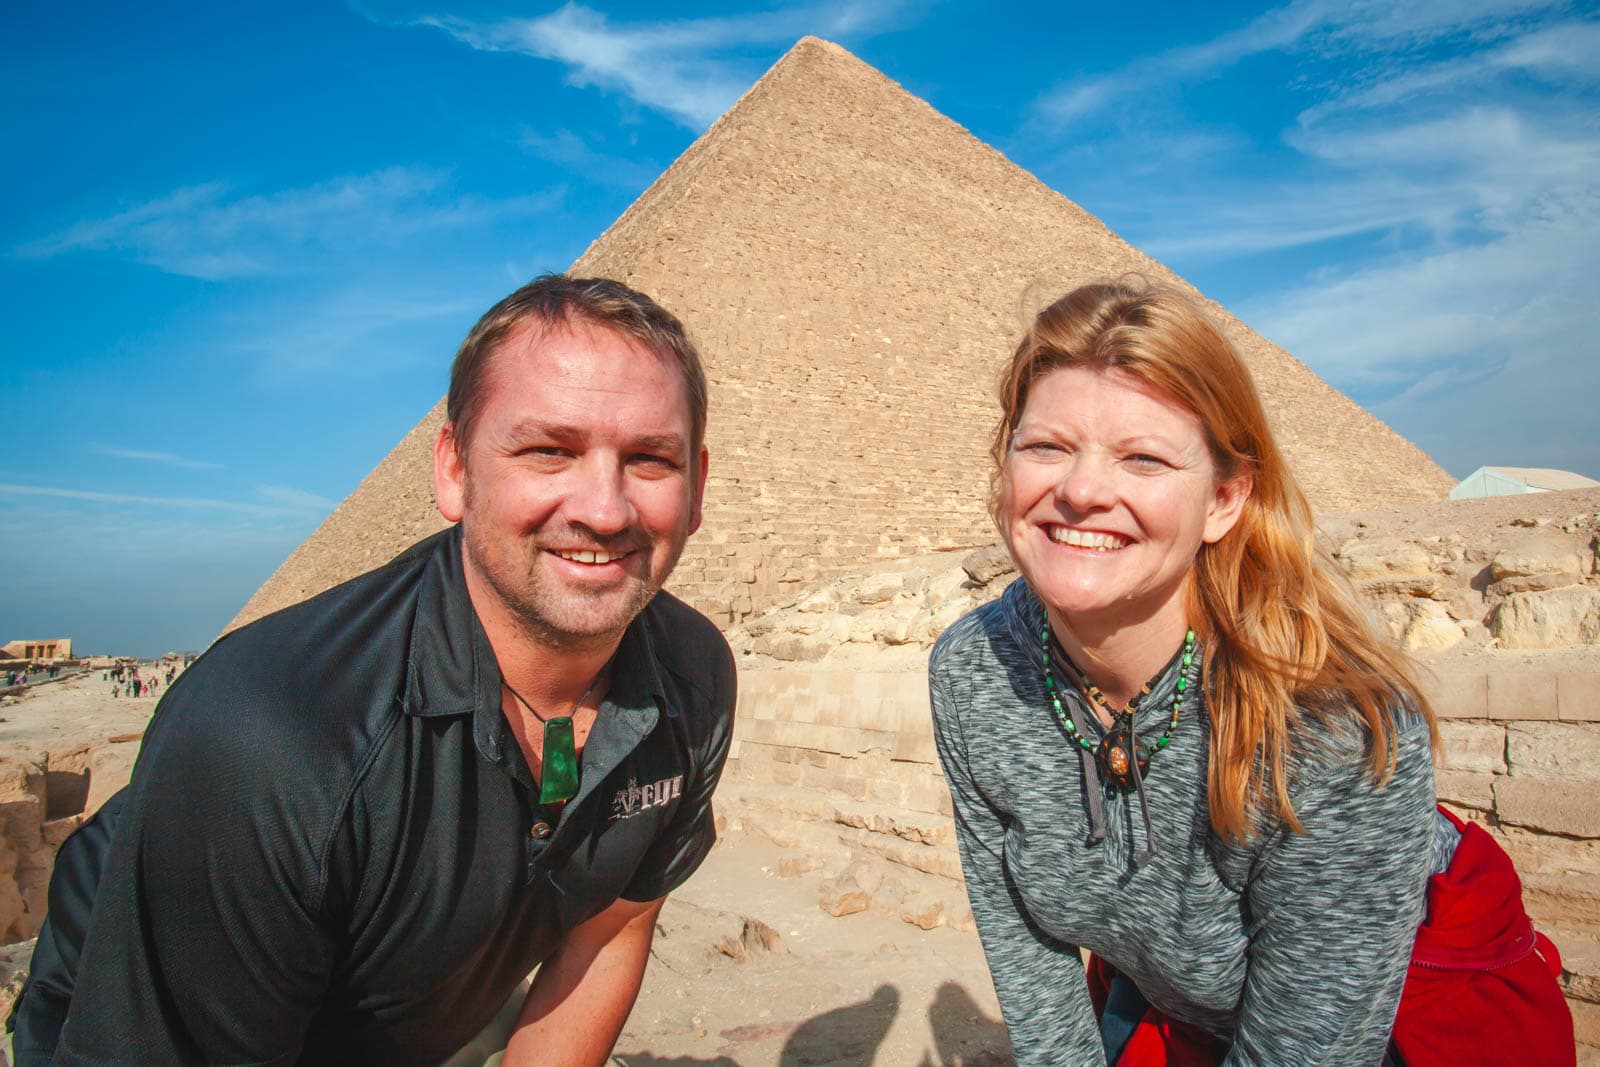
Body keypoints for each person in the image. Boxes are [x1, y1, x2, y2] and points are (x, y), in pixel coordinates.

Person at [12, 274, 735, 1066]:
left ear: (697, 488)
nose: (604, 508)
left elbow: (610, 928)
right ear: (455, 471)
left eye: (650, 459)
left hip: (423, 1006)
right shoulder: (272, 736)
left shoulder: (691, 679)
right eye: (548, 450)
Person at [929, 281, 1571, 1065]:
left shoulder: (1332, 726)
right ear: (1006, 464)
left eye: (1144, 457)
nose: (1083, 490)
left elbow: (1312, 1045)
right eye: (1046, 446)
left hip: (1405, 1012)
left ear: (1226, 499)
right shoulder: (971, 673)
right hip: (1177, 995)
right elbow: (1030, 965)